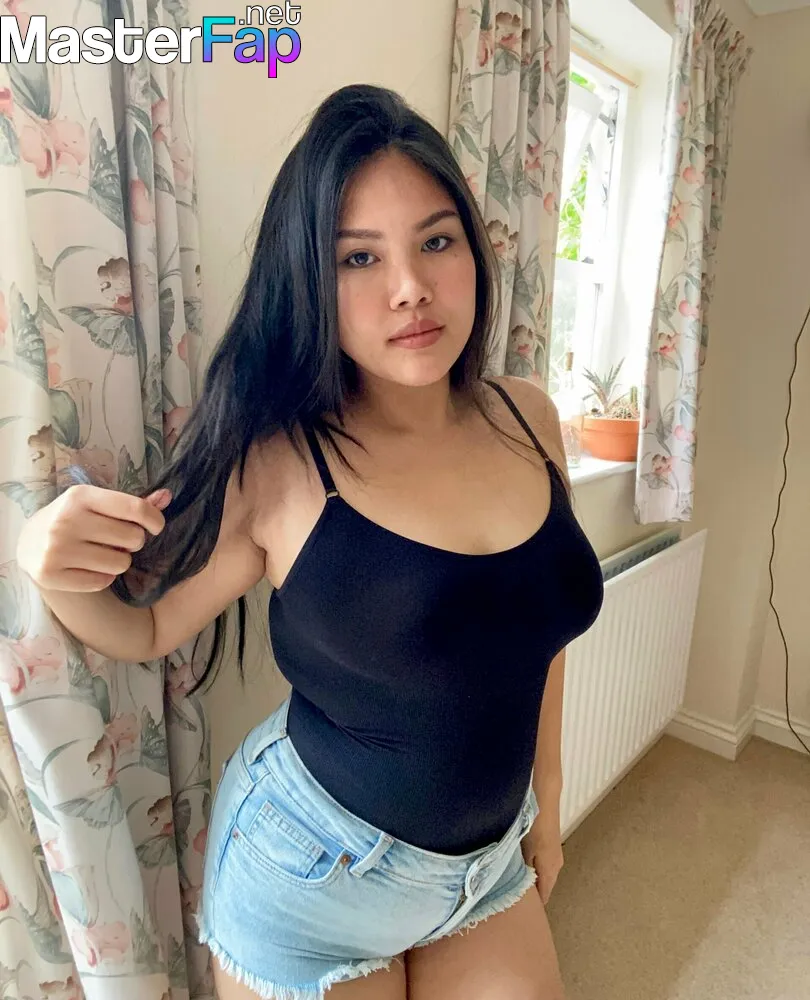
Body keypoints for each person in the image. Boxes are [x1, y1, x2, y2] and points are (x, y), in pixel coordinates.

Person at [16, 85, 604, 1000]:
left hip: (487, 870)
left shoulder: (529, 416)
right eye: (358, 258)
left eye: (436, 241)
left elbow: (540, 632)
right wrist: (44, 560)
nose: (409, 287)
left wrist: (549, 797)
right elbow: (146, 629)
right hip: (313, 879)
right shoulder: (281, 462)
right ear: (310, 282)